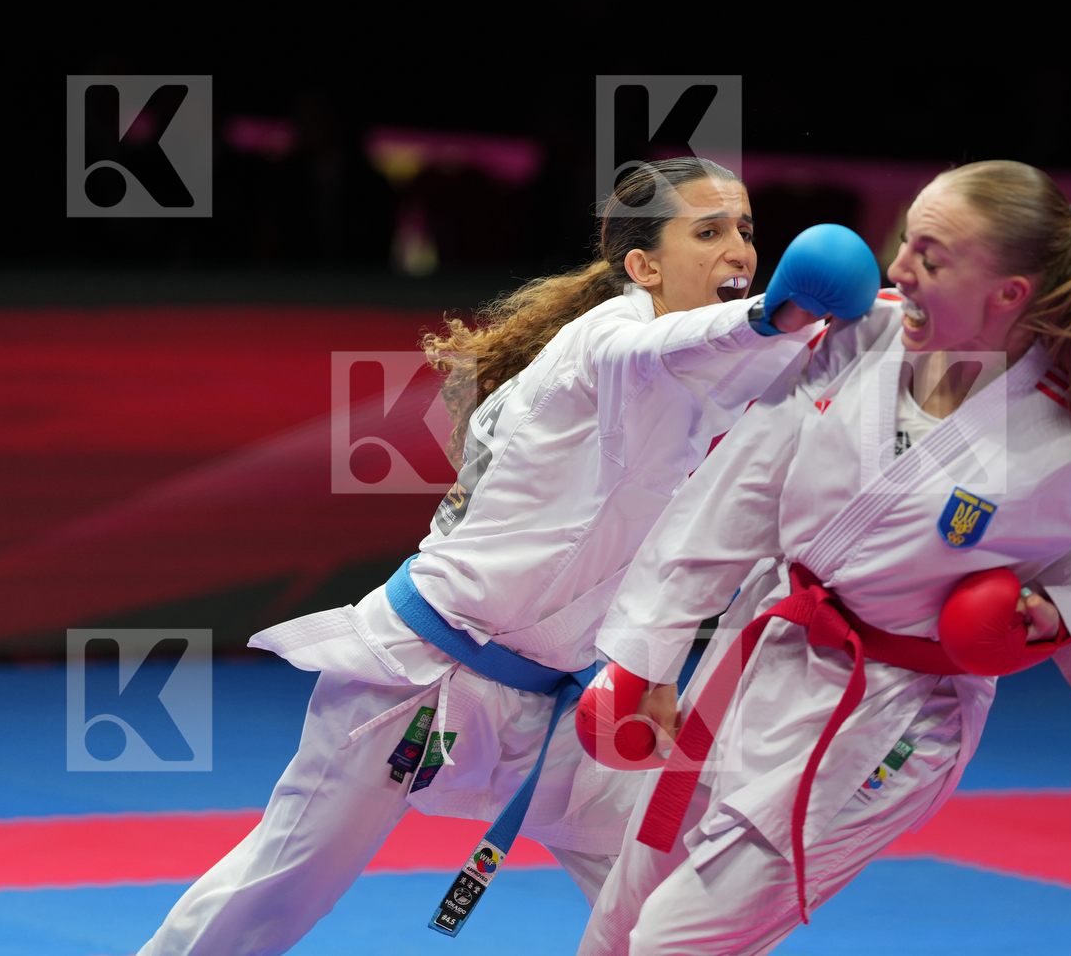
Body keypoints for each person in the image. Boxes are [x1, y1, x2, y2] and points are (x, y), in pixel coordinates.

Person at [135, 157, 882, 955]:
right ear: (643, 265)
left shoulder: (739, 371)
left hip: (558, 712)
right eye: (708, 231)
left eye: (745, 230)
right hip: (419, 679)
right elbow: (682, 347)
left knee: (671, 891)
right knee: (279, 889)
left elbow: (821, 363)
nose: (738, 248)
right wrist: (773, 314)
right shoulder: (607, 340)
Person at [578, 160, 1071, 955]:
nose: (898, 268)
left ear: (1009, 294)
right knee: (618, 927)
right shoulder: (862, 332)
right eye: (905, 242)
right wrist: (647, 658)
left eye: (931, 255)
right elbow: (736, 496)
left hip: (889, 714)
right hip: (761, 648)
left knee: (671, 945)